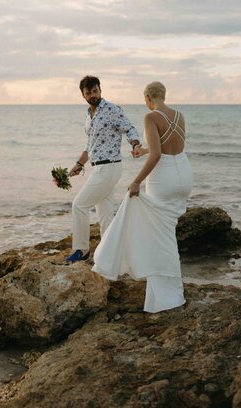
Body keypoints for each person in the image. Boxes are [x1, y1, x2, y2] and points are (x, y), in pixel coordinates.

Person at [92, 81, 193, 313]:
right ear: (164, 95)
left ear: (148, 98)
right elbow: (173, 147)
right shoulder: (180, 115)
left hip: (164, 179)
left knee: (160, 236)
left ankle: (167, 296)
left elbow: (158, 155)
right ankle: (166, 289)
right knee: (166, 231)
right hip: (184, 175)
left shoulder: (150, 118)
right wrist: (143, 150)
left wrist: (136, 181)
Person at [64, 75, 141, 263]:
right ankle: (111, 253)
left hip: (109, 167)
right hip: (98, 167)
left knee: (79, 205)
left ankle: (81, 250)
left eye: (95, 91)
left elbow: (130, 129)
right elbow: (90, 145)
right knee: (105, 213)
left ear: (100, 90)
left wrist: (136, 145)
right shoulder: (89, 116)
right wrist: (79, 164)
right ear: (83, 95)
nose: (93, 95)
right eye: (88, 92)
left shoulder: (112, 109)